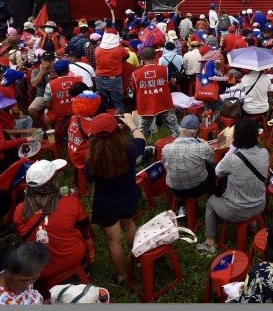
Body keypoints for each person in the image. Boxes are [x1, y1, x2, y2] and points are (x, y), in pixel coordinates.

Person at [84, 112, 145, 285]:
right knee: (129, 225)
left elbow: (88, 179)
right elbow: (142, 140)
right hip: (128, 196)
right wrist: (132, 124)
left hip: (106, 203)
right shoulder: (129, 148)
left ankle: (122, 276)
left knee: (114, 241)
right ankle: (140, 259)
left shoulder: (91, 158)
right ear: (116, 130)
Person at [13, 159, 91, 286]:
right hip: (72, 257)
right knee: (77, 232)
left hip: (39, 268)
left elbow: (22, 235)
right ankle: (84, 269)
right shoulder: (70, 202)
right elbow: (83, 226)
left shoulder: (19, 210)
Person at [197, 118, 269, 256]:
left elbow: (217, 171)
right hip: (260, 205)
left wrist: (232, 149)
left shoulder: (231, 159)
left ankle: (209, 243)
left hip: (235, 212)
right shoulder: (264, 153)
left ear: (236, 138)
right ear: (256, 136)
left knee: (211, 202)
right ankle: (253, 224)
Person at [129, 46, 181, 137]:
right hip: (164, 104)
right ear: (155, 57)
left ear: (142, 58)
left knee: (142, 132)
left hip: (146, 106)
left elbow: (134, 90)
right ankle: (181, 145)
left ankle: (141, 148)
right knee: (175, 129)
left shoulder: (135, 74)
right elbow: (172, 82)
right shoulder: (164, 69)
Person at [161, 115, 215, 199]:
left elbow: (165, 164)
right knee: (211, 167)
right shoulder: (201, 147)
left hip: (175, 190)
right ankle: (214, 194)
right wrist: (205, 143)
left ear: (180, 129)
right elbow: (212, 158)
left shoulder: (166, 148)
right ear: (195, 132)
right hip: (197, 189)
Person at [0, 241, 50, 305]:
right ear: (8, 271)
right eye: (23, 280)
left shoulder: (18, 278)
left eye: (34, 279)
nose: (27, 285)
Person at [94, 32, 128, 114]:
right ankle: (121, 121)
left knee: (102, 102)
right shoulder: (118, 50)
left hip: (99, 78)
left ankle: (104, 120)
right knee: (118, 102)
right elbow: (126, 56)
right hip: (114, 79)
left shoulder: (97, 49)